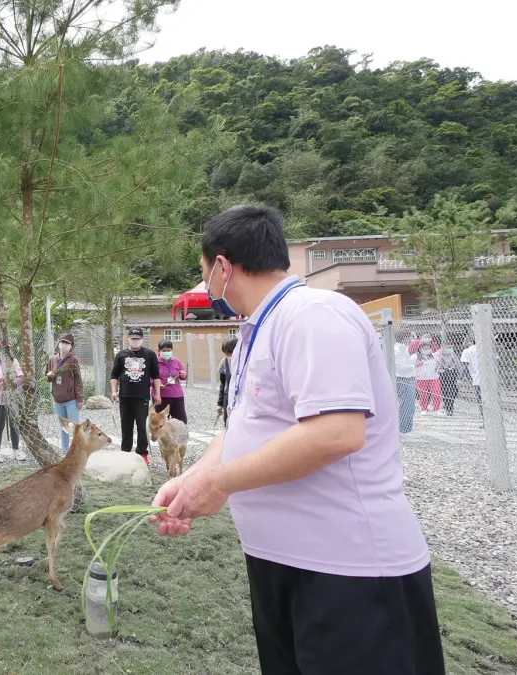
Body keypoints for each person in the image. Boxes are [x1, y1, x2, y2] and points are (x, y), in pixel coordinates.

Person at [151, 205, 442, 675]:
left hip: (348, 571)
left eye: (204, 274)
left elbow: (336, 432)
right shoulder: (258, 330)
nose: (206, 286)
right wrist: (193, 479)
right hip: (280, 564)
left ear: (222, 267)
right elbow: (243, 426)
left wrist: (220, 483)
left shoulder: (313, 315)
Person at [110, 327, 160, 465]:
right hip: (125, 396)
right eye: (133, 338)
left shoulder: (149, 354)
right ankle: (125, 452)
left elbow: (156, 376)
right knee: (126, 426)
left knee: (142, 426)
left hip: (142, 396)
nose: (135, 341)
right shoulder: (121, 355)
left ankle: (142, 453)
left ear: (142, 339)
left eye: (138, 338)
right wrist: (114, 391)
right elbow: (114, 375)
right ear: (129, 339)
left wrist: (157, 393)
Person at [46, 333, 84, 452]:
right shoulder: (53, 359)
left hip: (71, 399)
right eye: (62, 342)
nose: (64, 345)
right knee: (63, 427)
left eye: (67, 343)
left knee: (74, 426)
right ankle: (65, 451)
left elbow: (78, 379)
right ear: (59, 344)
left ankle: (78, 451)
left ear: (71, 346)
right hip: (58, 399)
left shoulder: (73, 359)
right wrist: (49, 376)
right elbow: (48, 378)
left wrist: (80, 399)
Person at [0, 340, 23, 454]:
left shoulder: (14, 361)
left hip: (12, 398)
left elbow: (20, 377)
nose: (6, 351)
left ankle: (16, 451)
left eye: (8, 348)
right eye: (2, 348)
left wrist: (12, 382)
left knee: (14, 425)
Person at [153, 339, 189, 425]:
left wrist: (183, 375)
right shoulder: (154, 362)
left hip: (177, 395)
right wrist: (157, 384)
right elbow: (149, 377)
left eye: (168, 350)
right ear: (159, 351)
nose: (166, 352)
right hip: (161, 397)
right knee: (161, 423)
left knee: (181, 421)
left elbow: (182, 372)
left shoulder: (176, 361)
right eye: (164, 350)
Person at [394, 330, 417, 436]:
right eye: (410, 337)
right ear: (405, 338)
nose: (411, 339)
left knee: (407, 404)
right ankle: (404, 428)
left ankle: (406, 427)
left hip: (406, 377)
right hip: (403, 378)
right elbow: (400, 366)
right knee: (407, 404)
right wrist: (414, 366)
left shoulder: (402, 348)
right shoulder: (398, 349)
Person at [414, 342, 441, 414]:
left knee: (436, 393)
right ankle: (424, 409)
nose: (427, 350)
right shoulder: (416, 356)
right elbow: (413, 365)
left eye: (428, 348)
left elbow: (438, 363)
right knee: (423, 394)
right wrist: (418, 363)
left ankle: (436, 409)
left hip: (434, 377)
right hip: (421, 378)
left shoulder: (434, 356)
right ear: (420, 349)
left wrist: (438, 367)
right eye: (425, 348)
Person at [216, 337, 237, 427]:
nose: (228, 357)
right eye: (226, 354)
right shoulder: (224, 362)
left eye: (230, 353)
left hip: (242, 398)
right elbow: (223, 384)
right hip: (228, 397)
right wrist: (220, 404)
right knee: (228, 423)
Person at [437, 345, 461, 415]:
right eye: (446, 348)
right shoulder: (440, 355)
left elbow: (458, 365)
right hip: (443, 373)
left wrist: (460, 376)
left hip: (453, 373)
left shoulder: (453, 355)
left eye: (449, 348)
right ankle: (448, 406)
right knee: (445, 390)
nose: (448, 350)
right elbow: (438, 366)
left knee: (454, 390)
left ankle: (450, 404)